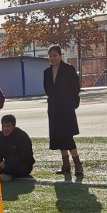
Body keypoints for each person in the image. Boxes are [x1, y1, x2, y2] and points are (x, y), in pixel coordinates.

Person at [43, 45, 82, 177]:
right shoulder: (46, 72)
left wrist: (71, 102)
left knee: (67, 136)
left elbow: (75, 87)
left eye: (55, 55)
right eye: (50, 56)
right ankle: (66, 164)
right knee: (58, 136)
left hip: (66, 108)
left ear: (60, 56)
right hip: (54, 108)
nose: (52, 58)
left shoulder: (69, 69)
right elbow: (47, 89)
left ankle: (78, 164)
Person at [0, 114, 35, 181]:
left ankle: (4, 174)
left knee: (11, 166)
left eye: (8, 126)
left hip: (21, 165)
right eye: (3, 126)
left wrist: (6, 163)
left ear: (13, 126)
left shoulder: (22, 136)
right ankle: (3, 174)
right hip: (4, 165)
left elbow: (26, 157)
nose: (5, 129)